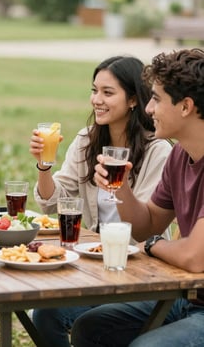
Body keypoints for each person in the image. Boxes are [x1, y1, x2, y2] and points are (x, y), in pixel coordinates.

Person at [29, 56, 173, 347]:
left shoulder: (158, 150)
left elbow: (143, 226)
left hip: (139, 266)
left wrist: (118, 187)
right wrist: (45, 165)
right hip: (93, 262)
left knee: (86, 325)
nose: (97, 100)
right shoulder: (86, 139)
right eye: (94, 91)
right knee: (45, 313)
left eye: (108, 93)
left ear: (133, 99)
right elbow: (53, 202)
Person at [70, 48, 204, 347]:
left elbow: (194, 257)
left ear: (185, 107)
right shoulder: (180, 155)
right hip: (189, 298)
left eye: (156, 98)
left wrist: (155, 245)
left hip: (195, 297)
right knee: (91, 327)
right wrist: (120, 189)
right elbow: (146, 226)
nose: (148, 109)